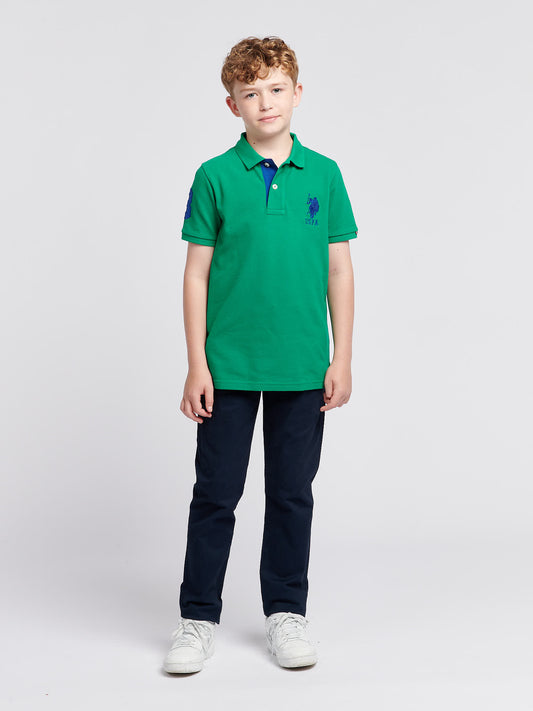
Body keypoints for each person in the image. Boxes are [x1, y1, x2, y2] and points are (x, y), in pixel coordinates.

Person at [163, 35, 358, 674]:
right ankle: (197, 618)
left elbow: (338, 269)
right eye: (251, 93)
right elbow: (196, 274)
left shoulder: (324, 174)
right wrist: (197, 363)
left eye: (276, 89)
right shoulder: (214, 176)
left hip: (302, 365)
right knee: (215, 494)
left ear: (297, 93)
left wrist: (342, 356)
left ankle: (286, 612)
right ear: (233, 105)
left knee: (291, 493)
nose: (265, 102)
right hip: (230, 367)